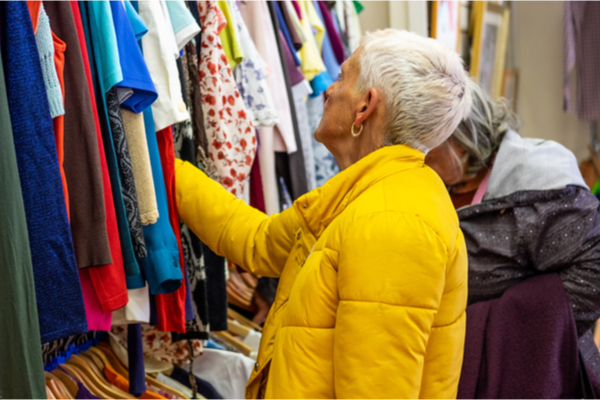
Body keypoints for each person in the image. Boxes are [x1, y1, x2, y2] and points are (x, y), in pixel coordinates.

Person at [176, 29, 471, 398]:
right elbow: (259, 242)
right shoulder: (360, 196)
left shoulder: (391, 222)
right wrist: (164, 170)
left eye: (342, 76)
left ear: (365, 106)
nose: (328, 89)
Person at [425, 79, 600, 383]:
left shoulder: (540, 182)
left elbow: (593, 276)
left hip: (534, 373)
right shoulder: (434, 182)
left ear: (462, 140)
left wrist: (491, 327)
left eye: (427, 141)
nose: (419, 152)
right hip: (450, 367)